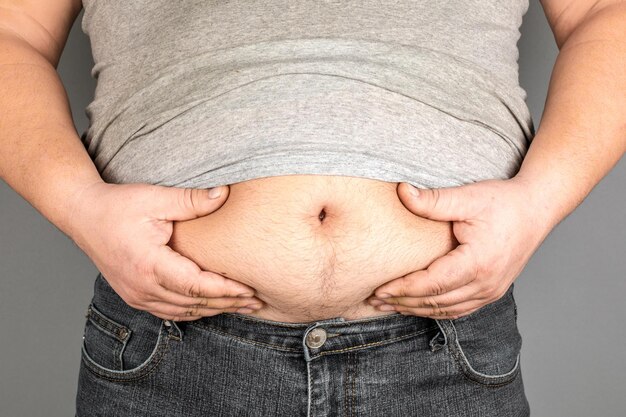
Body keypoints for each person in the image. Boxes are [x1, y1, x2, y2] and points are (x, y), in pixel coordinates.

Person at [0, 0, 624, 415]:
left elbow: (604, 12)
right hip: (172, 353)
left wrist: (538, 202)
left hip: (444, 352)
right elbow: (13, 32)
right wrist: (80, 206)